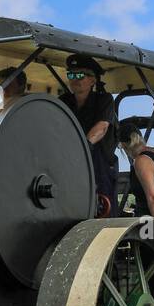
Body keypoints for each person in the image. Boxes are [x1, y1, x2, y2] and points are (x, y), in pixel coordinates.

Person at [60, 54, 118, 216]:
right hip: (69, 163)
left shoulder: (104, 100)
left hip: (99, 165)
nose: (74, 79)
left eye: (80, 75)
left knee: (103, 211)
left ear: (93, 80)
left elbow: (102, 127)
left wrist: (82, 149)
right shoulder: (63, 101)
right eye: (71, 75)